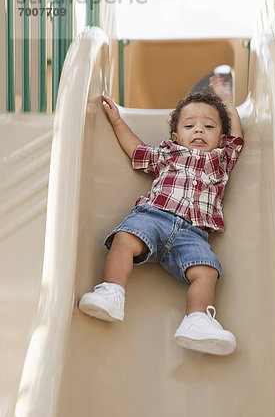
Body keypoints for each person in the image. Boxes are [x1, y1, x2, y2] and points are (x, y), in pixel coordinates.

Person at [79, 74, 244, 356]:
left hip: (193, 234)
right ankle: (112, 291)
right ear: (176, 136)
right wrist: (118, 121)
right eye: (190, 126)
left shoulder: (221, 160)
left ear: (221, 137)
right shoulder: (168, 155)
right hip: (154, 216)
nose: (199, 131)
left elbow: (238, 136)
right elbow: (137, 151)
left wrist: (227, 102)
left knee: (207, 271)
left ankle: (197, 319)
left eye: (209, 126)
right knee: (125, 238)